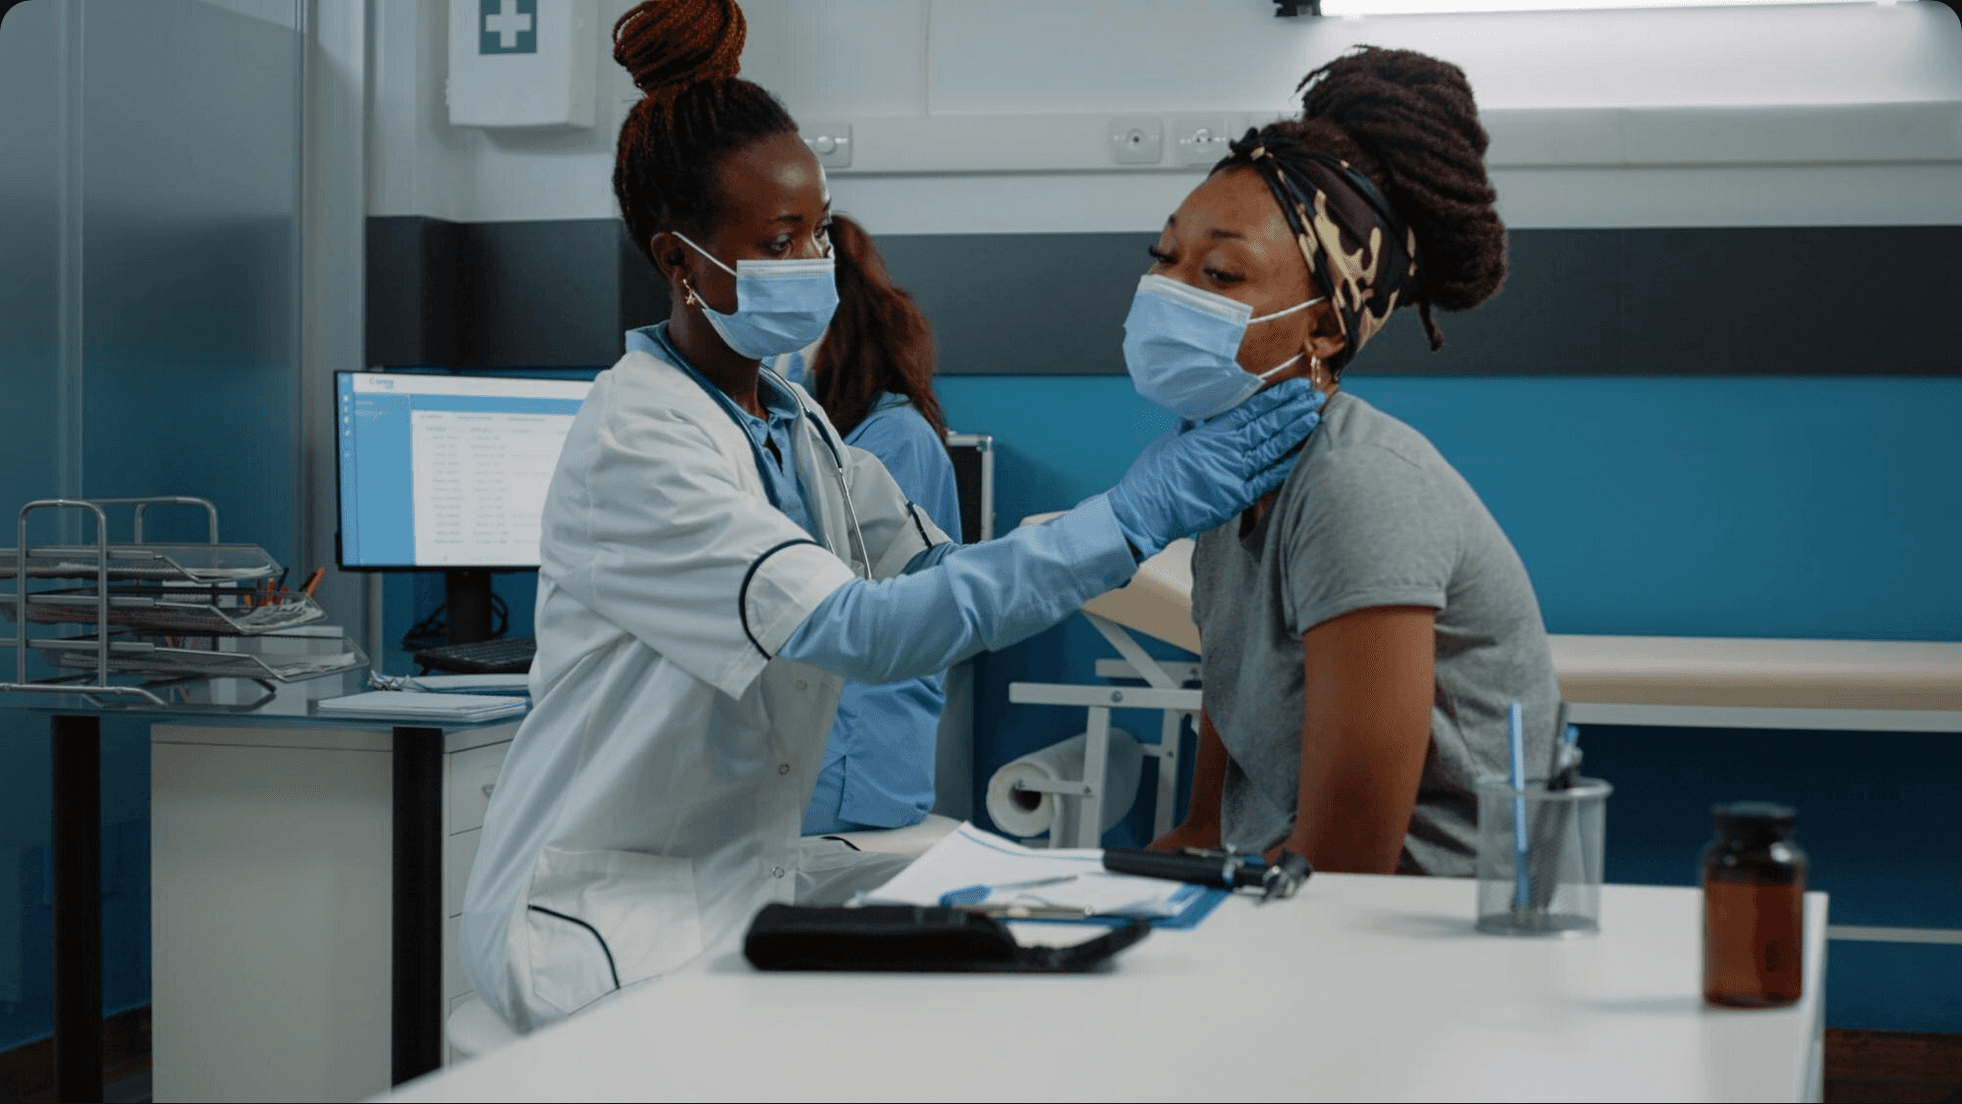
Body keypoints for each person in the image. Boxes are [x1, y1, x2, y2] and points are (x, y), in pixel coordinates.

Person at [459, 0, 1326, 1031]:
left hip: (724, 881)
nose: (815, 261)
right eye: (780, 241)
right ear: (680, 260)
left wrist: (1130, 528)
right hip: (600, 912)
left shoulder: (790, 418)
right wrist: (1135, 513)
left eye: (819, 231)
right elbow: (863, 632)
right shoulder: (640, 440)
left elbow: (931, 580)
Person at [1145, 47, 1561, 876]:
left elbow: (1350, 859)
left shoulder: (1357, 487)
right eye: (1164, 259)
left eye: (1220, 272)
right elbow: (1234, 698)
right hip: (1285, 885)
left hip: (1420, 926)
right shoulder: (1230, 474)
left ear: (1326, 329)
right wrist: (1181, 843)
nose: (1170, 290)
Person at [770, 215, 960, 836]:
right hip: (823, 743)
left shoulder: (894, 440)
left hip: (854, 760)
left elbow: (850, 617)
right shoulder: (837, 434)